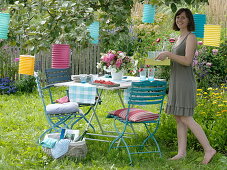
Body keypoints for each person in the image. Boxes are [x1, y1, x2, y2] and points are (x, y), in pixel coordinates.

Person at [156, 8, 216, 164]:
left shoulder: (191, 37)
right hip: (176, 80)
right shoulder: (178, 37)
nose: (179, 20)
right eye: (177, 17)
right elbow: (178, 59)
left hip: (184, 82)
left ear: (189, 20)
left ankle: (209, 149)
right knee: (178, 117)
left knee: (186, 117)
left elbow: (187, 61)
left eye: (183, 17)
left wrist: (168, 54)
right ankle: (181, 153)